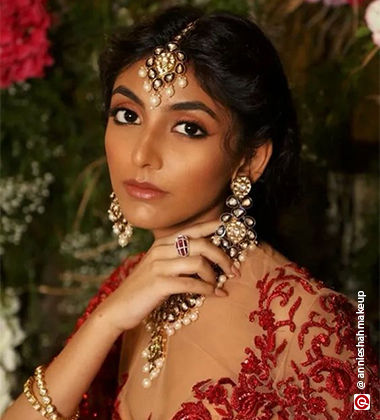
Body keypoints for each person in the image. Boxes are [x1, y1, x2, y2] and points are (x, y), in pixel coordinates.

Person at [3, 5, 379, 420]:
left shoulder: (307, 321)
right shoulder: (128, 288)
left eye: (188, 128)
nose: (142, 154)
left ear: (251, 159)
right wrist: (104, 323)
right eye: (127, 116)